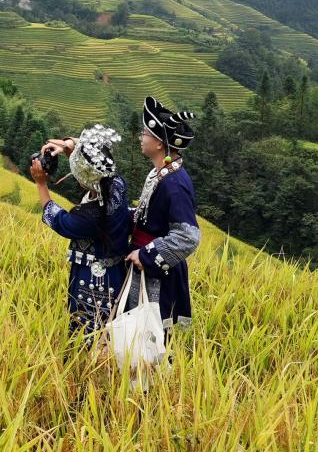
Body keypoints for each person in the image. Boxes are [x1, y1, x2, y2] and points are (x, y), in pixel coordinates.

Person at [31, 125, 133, 334]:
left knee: (87, 332)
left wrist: (41, 183)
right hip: (115, 274)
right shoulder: (116, 184)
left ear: (84, 178)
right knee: (111, 330)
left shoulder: (89, 217)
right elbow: (95, 152)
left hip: (93, 281)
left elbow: (57, 219)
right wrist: (68, 145)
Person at [123, 96, 201, 333]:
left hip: (156, 270)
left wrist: (146, 255)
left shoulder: (174, 183)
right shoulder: (160, 173)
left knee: (151, 339)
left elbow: (188, 236)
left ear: (159, 143)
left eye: (145, 132)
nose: (141, 137)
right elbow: (147, 215)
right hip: (143, 262)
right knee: (135, 334)